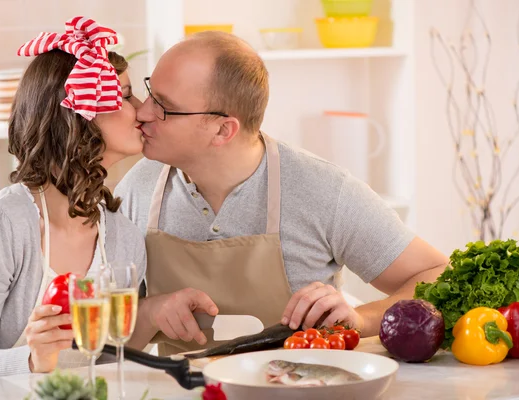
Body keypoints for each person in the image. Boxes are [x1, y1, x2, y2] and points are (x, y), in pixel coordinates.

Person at [116, 31, 449, 356]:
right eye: (150, 93)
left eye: (164, 106)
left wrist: (363, 318)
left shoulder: (322, 190)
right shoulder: (138, 187)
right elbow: (103, 335)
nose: (142, 113)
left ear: (222, 130)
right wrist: (147, 311)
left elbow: (436, 275)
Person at [0, 17, 147, 383]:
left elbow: (110, 364)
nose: (143, 109)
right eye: (127, 95)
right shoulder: (2, 223)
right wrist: (33, 360)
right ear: (80, 116)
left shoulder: (123, 237)